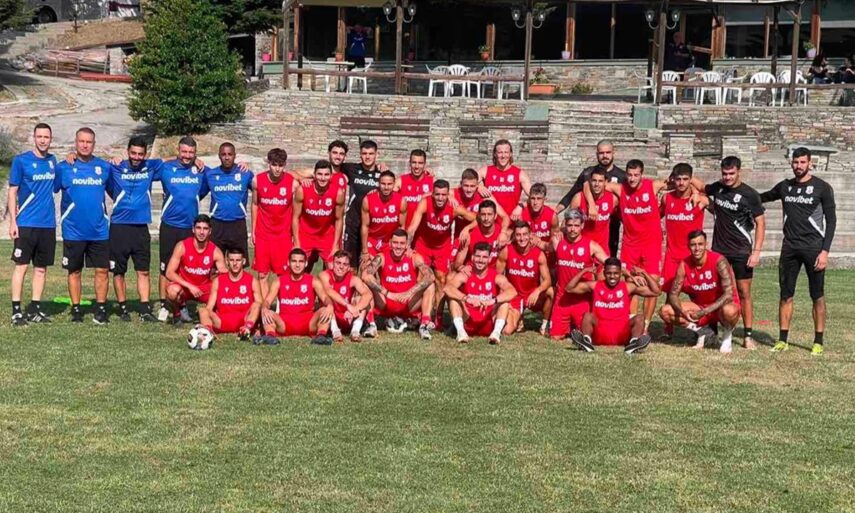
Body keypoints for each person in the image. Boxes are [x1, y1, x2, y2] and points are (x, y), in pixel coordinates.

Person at [760, 147, 836, 355]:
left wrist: (825, 251)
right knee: (786, 295)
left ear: (810, 163)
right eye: (795, 162)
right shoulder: (785, 186)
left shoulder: (822, 188)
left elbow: (831, 221)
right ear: (791, 163)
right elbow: (762, 197)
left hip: (814, 248)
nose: (799, 166)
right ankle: (782, 340)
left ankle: (818, 341)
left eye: (803, 162)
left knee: (817, 295)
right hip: (790, 248)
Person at [583, 159, 671, 329]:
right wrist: (592, 205)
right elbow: (587, 184)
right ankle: (630, 323)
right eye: (629, 175)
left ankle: (645, 326)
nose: (632, 178)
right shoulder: (620, 188)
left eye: (636, 175)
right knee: (630, 285)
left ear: (642, 175)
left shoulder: (653, 186)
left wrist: (695, 193)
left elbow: (680, 183)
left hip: (651, 245)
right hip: (630, 245)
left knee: (651, 285)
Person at [703, 156, 766, 349]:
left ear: (739, 171)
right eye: (724, 173)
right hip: (719, 250)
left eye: (731, 173)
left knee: (743, 292)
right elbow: (700, 187)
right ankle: (712, 332)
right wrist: (706, 202)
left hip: (741, 250)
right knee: (716, 290)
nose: (727, 177)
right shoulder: (718, 188)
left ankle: (747, 336)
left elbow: (761, 223)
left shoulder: (750, 195)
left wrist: (756, 252)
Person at [55, 128, 112, 324]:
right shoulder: (63, 167)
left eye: (89, 142)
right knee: (75, 271)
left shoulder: (104, 167)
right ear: (76, 142)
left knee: (102, 270)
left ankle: (101, 309)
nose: (85, 145)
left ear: (94, 144)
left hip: (99, 230)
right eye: (82, 141)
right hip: (73, 230)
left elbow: (113, 190)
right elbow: (49, 188)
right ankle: (76, 310)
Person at [106, 136, 164, 322]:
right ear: (128, 152)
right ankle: (123, 308)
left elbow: (171, 160)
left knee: (143, 271)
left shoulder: (150, 167)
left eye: (140, 154)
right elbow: (94, 167)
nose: (137, 157)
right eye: (133, 153)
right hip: (119, 227)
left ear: (145, 154)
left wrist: (196, 160)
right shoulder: (115, 167)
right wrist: (72, 155)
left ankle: (145, 309)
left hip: (140, 227)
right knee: (118, 271)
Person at [156, 136, 211, 322]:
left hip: (189, 227)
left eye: (191, 152)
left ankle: (182, 304)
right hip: (169, 226)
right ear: (178, 151)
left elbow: (215, 179)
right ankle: (164, 305)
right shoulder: (166, 168)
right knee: (165, 267)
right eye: (184, 152)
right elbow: (144, 167)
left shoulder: (201, 171)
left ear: (196, 153)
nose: (187, 156)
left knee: (185, 268)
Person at [659, 230, 741, 352]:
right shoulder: (684, 264)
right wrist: (682, 311)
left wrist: (704, 312)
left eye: (700, 244)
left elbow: (728, 294)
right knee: (665, 311)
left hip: (720, 307)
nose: (697, 248)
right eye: (693, 245)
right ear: (688, 246)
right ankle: (703, 332)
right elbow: (673, 295)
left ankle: (727, 336)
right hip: (700, 307)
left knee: (729, 311)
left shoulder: (719, 261)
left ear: (706, 244)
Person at [8, 123, 57, 326]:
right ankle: (16, 311)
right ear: (34, 138)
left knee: (41, 269)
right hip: (26, 223)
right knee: (21, 267)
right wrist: (13, 221)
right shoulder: (21, 161)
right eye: (40, 136)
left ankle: (35, 309)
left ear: (51, 139)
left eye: (46, 137)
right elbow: (12, 191)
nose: (43, 140)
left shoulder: (53, 161)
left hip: (48, 225)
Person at [407, 180, 475, 317]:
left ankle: (438, 316)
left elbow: (476, 218)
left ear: (448, 195)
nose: (440, 198)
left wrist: (467, 229)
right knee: (421, 278)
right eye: (437, 194)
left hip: (442, 248)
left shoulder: (454, 207)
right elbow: (412, 227)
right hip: (423, 245)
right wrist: (407, 246)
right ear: (432, 194)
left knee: (441, 280)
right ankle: (418, 315)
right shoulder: (425, 203)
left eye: (443, 195)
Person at [566, 258, 660, 354]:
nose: (612, 277)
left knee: (639, 318)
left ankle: (634, 343)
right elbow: (569, 288)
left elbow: (656, 292)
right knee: (588, 315)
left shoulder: (628, 287)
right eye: (609, 273)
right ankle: (586, 341)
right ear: (604, 273)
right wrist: (584, 271)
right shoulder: (595, 285)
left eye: (616, 273)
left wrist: (644, 273)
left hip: (622, 334)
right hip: (600, 333)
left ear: (621, 273)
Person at [660, 163, 707, 337]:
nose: (681, 183)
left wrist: (696, 190)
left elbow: (711, 195)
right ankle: (668, 329)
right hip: (672, 256)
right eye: (678, 179)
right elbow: (655, 216)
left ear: (691, 180)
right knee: (670, 292)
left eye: (685, 179)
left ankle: (704, 326)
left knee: (698, 295)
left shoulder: (700, 200)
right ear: (673, 179)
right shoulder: (667, 199)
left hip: (693, 257)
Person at [362, 229, 436, 339]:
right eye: (395, 243)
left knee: (430, 285)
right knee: (365, 284)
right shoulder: (382, 257)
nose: (398, 246)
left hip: (408, 302)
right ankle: (371, 324)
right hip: (386, 302)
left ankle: (424, 326)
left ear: (407, 245)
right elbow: (365, 275)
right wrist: (388, 293)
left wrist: (409, 293)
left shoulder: (414, 257)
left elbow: (430, 276)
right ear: (390, 243)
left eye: (402, 243)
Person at [557, 140, 626, 256]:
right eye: (601, 153)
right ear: (597, 154)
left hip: (610, 229)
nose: (605, 156)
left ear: (614, 152)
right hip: (588, 228)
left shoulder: (622, 176)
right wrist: (556, 210)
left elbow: (626, 202)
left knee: (608, 260)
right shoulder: (588, 173)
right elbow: (572, 193)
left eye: (608, 152)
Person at [549, 209, 608, 340]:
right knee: (555, 337)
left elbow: (610, 263)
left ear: (582, 225)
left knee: (587, 335)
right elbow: (546, 248)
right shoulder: (557, 241)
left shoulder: (591, 246)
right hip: (562, 298)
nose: (572, 229)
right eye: (569, 225)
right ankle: (568, 325)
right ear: (565, 225)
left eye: (576, 225)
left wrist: (629, 274)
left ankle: (577, 324)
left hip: (582, 299)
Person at [445, 242, 518, 344]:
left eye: (484, 257)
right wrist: (466, 298)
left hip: (488, 320)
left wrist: (492, 301)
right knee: (454, 300)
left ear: (489, 259)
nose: (480, 260)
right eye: (478, 256)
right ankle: (461, 333)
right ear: (472, 257)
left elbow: (512, 291)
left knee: (504, 303)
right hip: (469, 320)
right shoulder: (465, 275)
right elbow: (447, 288)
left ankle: (496, 333)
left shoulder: (495, 276)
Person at [164, 214, 227, 321]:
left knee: (224, 293)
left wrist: (219, 275)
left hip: (204, 288)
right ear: (193, 229)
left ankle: (207, 312)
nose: (201, 232)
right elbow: (169, 272)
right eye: (198, 228)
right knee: (172, 291)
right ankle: (178, 313)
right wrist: (190, 286)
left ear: (210, 231)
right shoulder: (182, 246)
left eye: (205, 229)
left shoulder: (216, 251)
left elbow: (224, 274)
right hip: (185, 287)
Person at [261, 248, 332, 342]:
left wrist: (330, 305)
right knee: (267, 312)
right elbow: (267, 301)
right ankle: (270, 336)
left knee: (325, 310)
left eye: (301, 261)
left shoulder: (313, 280)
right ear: (288, 263)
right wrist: (265, 307)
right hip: (284, 323)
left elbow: (325, 298)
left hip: (308, 323)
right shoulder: (279, 281)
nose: (297, 265)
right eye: (294, 261)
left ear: (306, 263)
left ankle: (321, 336)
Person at [495, 220, 553, 336]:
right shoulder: (506, 251)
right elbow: (497, 276)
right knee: (507, 331)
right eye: (518, 235)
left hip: (532, 296)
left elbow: (548, 280)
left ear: (530, 235)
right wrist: (505, 295)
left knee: (551, 291)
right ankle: (518, 318)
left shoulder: (538, 253)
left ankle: (544, 325)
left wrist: (537, 291)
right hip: (515, 296)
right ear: (514, 236)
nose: (522, 238)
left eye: (525, 234)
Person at [251, 148, 295, 298]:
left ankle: (281, 307)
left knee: (283, 274)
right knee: (262, 274)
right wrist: (254, 230)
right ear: (268, 163)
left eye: (280, 165)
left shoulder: (292, 183)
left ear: (285, 165)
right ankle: (265, 307)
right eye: (274, 164)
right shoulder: (258, 181)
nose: (277, 169)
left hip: (283, 235)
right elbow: (255, 204)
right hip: (263, 234)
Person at [292, 160, 346, 271]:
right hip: (305, 234)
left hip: (326, 235)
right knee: (298, 267)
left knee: (333, 268)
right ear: (314, 175)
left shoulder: (338, 193)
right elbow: (295, 217)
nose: (323, 178)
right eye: (320, 174)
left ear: (331, 176)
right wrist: (296, 242)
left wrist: (336, 245)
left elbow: (339, 219)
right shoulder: (302, 190)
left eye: (326, 175)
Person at [197, 247, 262, 339]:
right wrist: (206, 318)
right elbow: (209, 308)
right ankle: (208, 332)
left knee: (257, 304)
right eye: (231, 260)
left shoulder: (252, 281)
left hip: (244, 320)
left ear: (243, 261)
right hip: (222, 321)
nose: (235, 264)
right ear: (227, 261)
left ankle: (246, 330)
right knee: (203, 310)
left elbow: (259, 305)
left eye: (238, 260)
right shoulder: (218, 281)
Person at [206, 142, 253, 258]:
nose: (227, 157)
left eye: (230, 154)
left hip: (237, 224)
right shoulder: (211, 175)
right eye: (223, 154)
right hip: (217, 224)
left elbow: (259, 190)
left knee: (238, 263)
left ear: (235, 155)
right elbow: (199, 192)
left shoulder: (245, 173)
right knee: (214, 263)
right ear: (219, 156)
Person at [319, 250, 375, 342]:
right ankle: (335, 330)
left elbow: (368, 294)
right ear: (332, 264)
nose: (341, 267)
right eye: (338, 263)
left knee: (360, 299)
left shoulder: (353, 279)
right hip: (331, 316)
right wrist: (347, 305)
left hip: (348, 316)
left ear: (349, 267)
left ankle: (355, 331)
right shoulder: (324, 275)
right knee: (327, 300)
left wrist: (356, 308)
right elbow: (328, 290)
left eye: (345, 264)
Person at [569, 167, 617, 254]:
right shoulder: (578, 198)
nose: (597, 184)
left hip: (602, 250)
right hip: (582, 249)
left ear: (606, 182)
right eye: (594, 180)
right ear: (590, 181)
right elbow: (568, 222)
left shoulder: (613, 199)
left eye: (600, 181)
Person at [477, 139, 532, 216]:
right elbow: (466, 183)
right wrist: (478, 186)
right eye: (500, 152)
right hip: (490, 221)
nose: (503, 156)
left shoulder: (520, 174)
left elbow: (536, 196)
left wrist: (521, 206)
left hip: (511, 220)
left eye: (506, 152)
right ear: (495, 154)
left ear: (510, 154)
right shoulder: (485, 171)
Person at [361, 170, 406, 260]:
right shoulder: (368, 200)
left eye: (389, 184)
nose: (386, 187)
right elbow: (365, 226)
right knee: (366, 267)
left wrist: (400, 246)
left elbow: (402, 227)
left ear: (394, 184)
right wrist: (365, 250)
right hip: (372, 242)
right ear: (378, 184)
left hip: (390, 243)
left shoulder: (401, 201)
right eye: (383, 184)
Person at [454, 200, 508, 270]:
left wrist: (493, 276)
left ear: (495, 216)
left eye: (489, 214)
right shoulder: (469, 235)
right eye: (483, 214)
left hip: (491, 273)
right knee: (454, 276)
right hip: (472, 271)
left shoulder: (501, 236)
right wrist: (463, 269)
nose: (486, 218)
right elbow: (458, 264)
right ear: (479, 216)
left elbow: (501, 262)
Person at [396, 149, 433, 229]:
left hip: (424, 233)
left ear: (425, 164)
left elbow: (446, 194)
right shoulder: (400, 181)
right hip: (404, 231)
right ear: (409, 163)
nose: (416, 166)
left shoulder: (432, 182)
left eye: (420, 163)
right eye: (414, 162)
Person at [518, 182, 558, 250]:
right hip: (528, 251)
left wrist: (539, 243)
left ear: (544, 199)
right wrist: (530, 236)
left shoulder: (552, 216)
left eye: (539, 199)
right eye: (533, 198)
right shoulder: (522, 214)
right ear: (529, 199)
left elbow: (554, 242)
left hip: (546, 251)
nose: (535, 202)